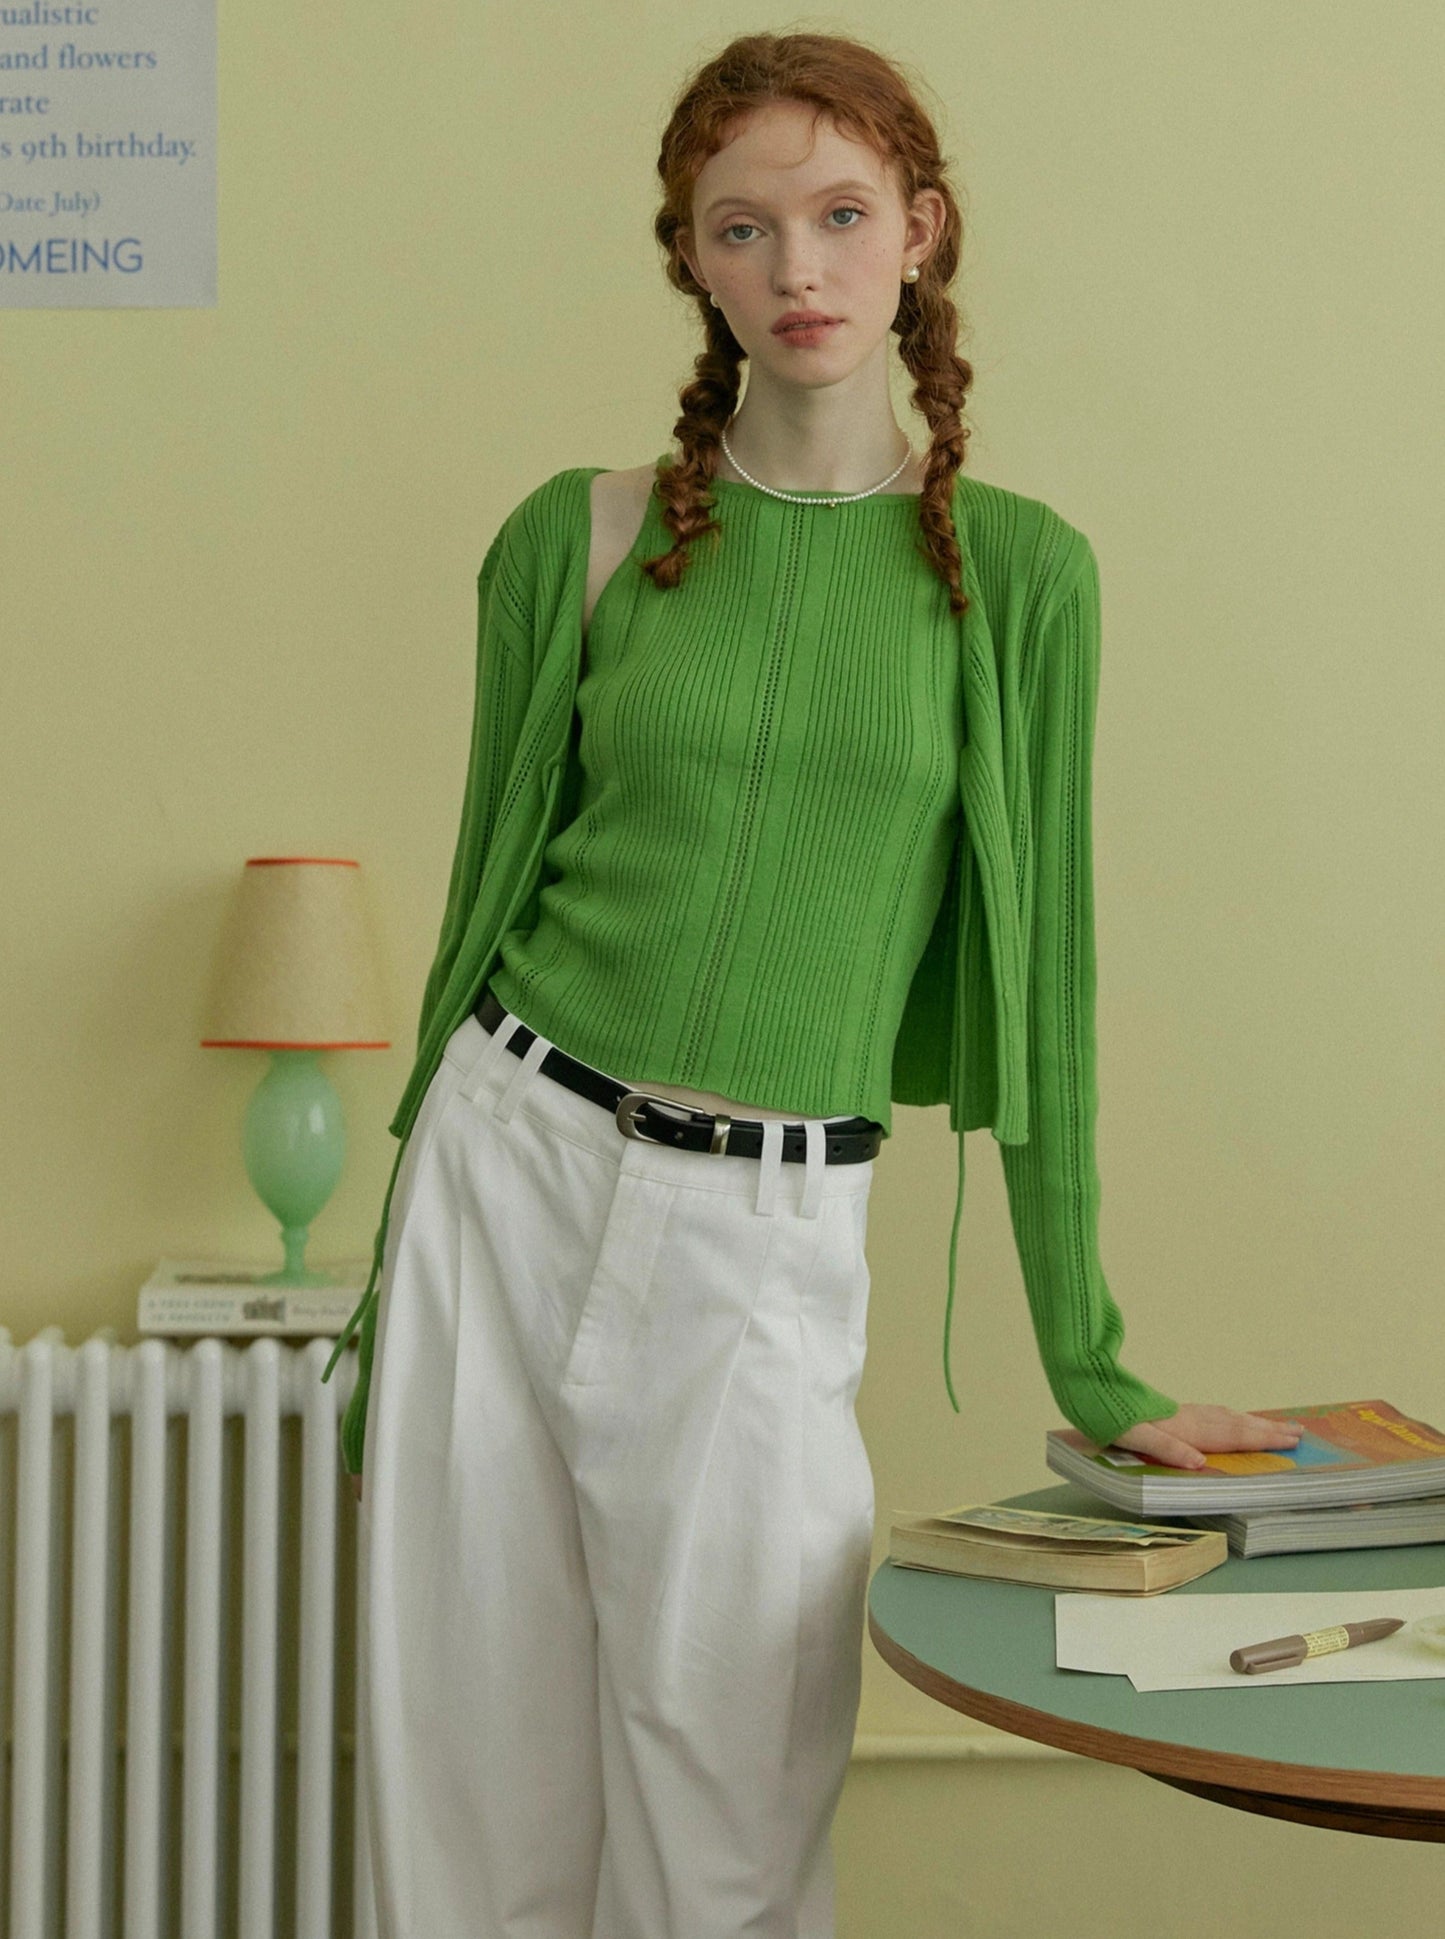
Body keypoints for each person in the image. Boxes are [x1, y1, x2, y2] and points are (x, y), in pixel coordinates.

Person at [322, 30, 1303, 1939]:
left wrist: (1091, 1356)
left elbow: (1049, 990)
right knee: (468, 1825)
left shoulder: (1016, 581)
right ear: (690, 260)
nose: (798, 269)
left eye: (841, 217)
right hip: (507, 1170)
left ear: (919, 233)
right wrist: (386, 1305)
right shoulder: (578, 538)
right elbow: (470, 924)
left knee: (727, 1854)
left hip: (760, 1234)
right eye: (743, 228)